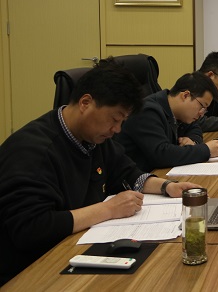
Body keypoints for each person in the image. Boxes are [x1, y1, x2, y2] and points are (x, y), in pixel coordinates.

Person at [0, 58, 200, 286]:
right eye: (114, 119)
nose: (117, 129)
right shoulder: (33, 152)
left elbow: (127, 173)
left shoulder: (94, 138)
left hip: (75, 249)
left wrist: (167, 186)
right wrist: (108, 209)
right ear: (85, 103)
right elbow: (32, 228)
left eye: (122, 121)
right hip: (32, 272)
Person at [114, 72, 218, 172]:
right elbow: (162, 154)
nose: (201, 113)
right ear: (185, 95)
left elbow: (195, 127)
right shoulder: (147, 111)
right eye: (202, 106)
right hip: (134, 181)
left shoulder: (178, 112)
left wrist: (192, 141)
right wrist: (206, 150)